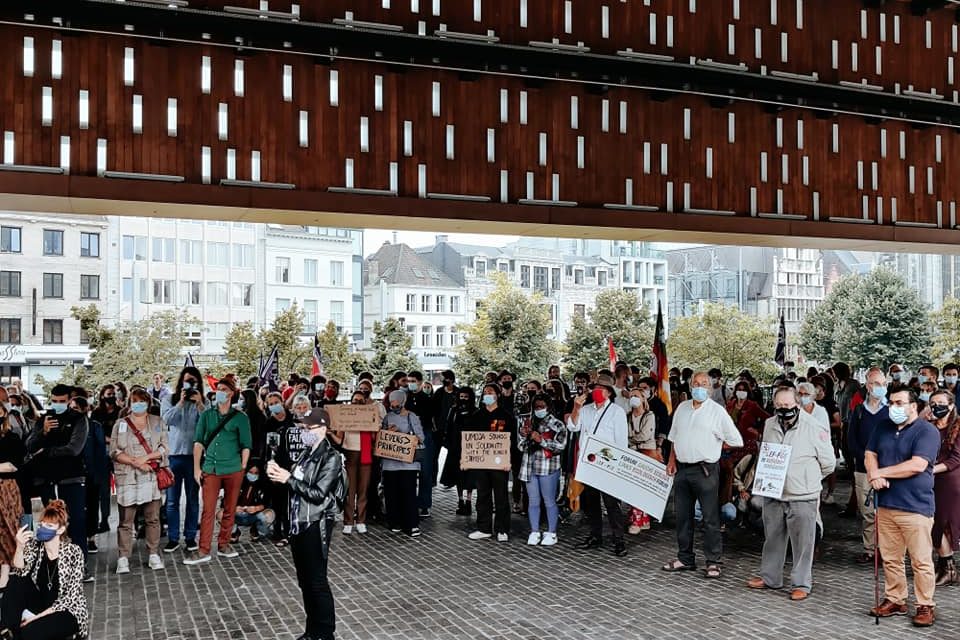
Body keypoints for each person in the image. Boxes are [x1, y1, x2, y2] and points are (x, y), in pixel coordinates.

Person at [746, 387, 836, 601]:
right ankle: (770, 577)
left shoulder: (814, 426)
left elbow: (829, 464)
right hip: (773, 492)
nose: (783, 410)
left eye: (787, 406)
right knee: (773, 537)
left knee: (803, 542)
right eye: (779, 406)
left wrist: (807, 478)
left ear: (798, 404)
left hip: (802, 494)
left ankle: (801, 583)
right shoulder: (769, 424)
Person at [866, 387, 940, 627]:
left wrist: (880, 472)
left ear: (913, 406)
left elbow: (917, 465)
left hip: (916, 506)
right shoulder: (882, 427)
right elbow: (870, 454)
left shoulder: (926, 431)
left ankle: (925, 604)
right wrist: (873, 475)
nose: (893, 407)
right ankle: (896, 598)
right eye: (891, 402)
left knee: (920, 560)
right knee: (891, 557)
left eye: (899, 403)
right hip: (886, 503)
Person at [266, 408, 341, 640]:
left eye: (310, 428)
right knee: (305, 580)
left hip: (315, 522)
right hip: (298, 521)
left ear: (324, 429)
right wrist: (281, 474)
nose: (305, 432)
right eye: (303, 428)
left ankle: (325, 632)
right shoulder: (307, 453)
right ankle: (312, 630)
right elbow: (298, 481)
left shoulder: (331, 457)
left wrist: (287, 479)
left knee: (316, 580)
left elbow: (318, 493)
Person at [663, 371, 743, 579]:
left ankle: (713, 561)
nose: (699, 387)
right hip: (682, 469)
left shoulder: (717, 411)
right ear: (690, 386)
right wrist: (671, 460)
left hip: (705, 470)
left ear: (710, 388)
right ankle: (685, 557)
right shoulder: (682, 408)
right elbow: (674, 437)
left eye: (704, 384)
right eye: (695, 383)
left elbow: (736, 440)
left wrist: (717, 443)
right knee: (683, 516)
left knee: (710, 518)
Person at [185, 378, 252, 565]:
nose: (219, 393)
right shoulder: (207, 416)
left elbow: (246, 444)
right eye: (217, 389)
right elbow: (198, 442)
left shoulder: (240, 418)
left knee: (230, 508)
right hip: (211, 468)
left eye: (223, 389)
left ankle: (224, 544)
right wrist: (196, 468)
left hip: (233, 468)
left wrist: (242, 466)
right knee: (208, 510)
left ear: (231, 393)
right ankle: (203, 549)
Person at [1, 501, 88, 640]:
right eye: (41, 525)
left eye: (49, 526)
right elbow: (19, 571)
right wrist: (20, 547)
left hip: (66, 611)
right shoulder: (36, 547)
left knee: (28, 632)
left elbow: (69, 598)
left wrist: (35, 619)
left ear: (60, 530)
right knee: (16, 581)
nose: (42, 528)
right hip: (42, 603)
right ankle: (5, 632)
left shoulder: (73, 552)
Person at [568, 374, 630, 557]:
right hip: (588, 463)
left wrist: (618, 467)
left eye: (601, 389)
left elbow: (621, 442)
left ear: (609, 392)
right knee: (591, 502)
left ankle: (619, 540)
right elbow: (573, 426)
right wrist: (576, 408)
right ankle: (595, 535)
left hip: (607, 464)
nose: (597, 391)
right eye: (595, 388)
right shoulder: (586, 409)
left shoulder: (616, 412)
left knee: (611, 504)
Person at [24, 385, 88, 560]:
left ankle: (80, 563)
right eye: (55, 401)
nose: (58, 404)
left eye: (62, 401)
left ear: (69, 400)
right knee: (52, 523)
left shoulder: (79, 419)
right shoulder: (44, 419)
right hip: (47, 480)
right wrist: (43, 432)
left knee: (76, 521)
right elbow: (30, 446)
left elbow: (74, 449)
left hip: (72, 478)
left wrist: (46, 451)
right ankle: (55, 561)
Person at [109, 389, 169, 574]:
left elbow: (164, 447)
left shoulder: (157, 422)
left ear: (148, 403)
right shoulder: (120, 424)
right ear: (129, 403)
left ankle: (153, 553)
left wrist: (146, 459)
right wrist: (135, 462)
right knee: (126, 521)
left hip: (151, 476)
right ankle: (123, 557)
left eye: (142, 401)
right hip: (128, 478)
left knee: (153, 518)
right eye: (134, 401)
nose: (138, 404)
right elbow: (114, 451)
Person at [161, 367, 206, 554]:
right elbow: (166, 420)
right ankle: (173, 537)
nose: (190, 385)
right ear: (181, 382)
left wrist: (200, 404)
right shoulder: (169, 399)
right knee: (172, 501)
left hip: (194, 457)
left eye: (193, 382)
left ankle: (190, 536)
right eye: (187, 381)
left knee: (193, 499)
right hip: (174, 456)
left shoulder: (203, 401)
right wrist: (180, 402)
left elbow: (209, 422)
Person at [845, 367, 889, 563]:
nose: (879, 388)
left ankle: (885, 550)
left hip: (886, 469)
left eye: (883, 384)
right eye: (875, 384)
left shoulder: (891, 411)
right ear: (868, 386)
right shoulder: (859, 411)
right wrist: (864, 458)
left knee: (886, 512)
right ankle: (869, 549)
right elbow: (851, 439)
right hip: (863, 469)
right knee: (868, 512)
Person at [464, 383, 515, 542]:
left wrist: (509, 460)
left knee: (501, 496)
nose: (487, 394)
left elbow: (512, 439)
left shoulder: (506, 416)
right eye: (485, 392)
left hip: (500, 463)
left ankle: (502, 529)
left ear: (497, 395)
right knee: (482, 495)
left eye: (490, 392)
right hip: (481, 463)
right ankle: (484, 528)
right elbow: (469, 439)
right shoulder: (476, 416)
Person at [518, 395, 567, 547]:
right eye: (536, 407)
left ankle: (552, 532)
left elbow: (560, 446)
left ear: (548, 406)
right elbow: (520, 446)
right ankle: (534, 531)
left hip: (548, 468)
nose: (539, 409)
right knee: (533, 501)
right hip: (530, 467)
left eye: (542, 406)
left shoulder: (557, 424)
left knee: (549, 500)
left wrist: (541, 440)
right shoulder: (528, 422)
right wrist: (525, 436)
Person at [380, 390, 425, 538]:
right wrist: (387, 431)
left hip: (408, 464)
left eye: (396, 404)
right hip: (390, 463)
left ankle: (411, 524)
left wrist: (400, 433)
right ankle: (394, 521)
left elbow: (420, 438)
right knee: (392, 494)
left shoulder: (412, 417)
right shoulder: (387, 417)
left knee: (409, 494)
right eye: (391, 404)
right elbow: (381, 437)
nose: (394, 406)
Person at [330, 391, 373, 535]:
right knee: (349, 490)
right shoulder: (345, 417)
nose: (357, 403)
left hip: (366, 454)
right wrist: (330, 433)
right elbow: (339, 440)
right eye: (355, 400)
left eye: (361, 401)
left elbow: (374, 436)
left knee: (363, 490)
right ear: (351, 401)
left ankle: (361, 521)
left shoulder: (370, 416)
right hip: (350, 454)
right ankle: (348, 521)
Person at [929, 389, 960, 586]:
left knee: (942, 523)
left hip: (950, 481)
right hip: (932, 481)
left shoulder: (957, 427)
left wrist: (930, 469)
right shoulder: (929, 426)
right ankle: (944, 565)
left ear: (951, 405)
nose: (936, 407)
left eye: (940, 403)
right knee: (933, 523)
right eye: (933, 403)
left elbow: (955, 458)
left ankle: (948, 567)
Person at [722, 381, 768, 504]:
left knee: (744, 471)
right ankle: (727, 499)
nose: (741, 391)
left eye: (744, 389)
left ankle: (743, 498)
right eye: (739, 389)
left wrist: (758, 432)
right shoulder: (731, 404)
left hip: (747, 444)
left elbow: (768, 419)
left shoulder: (752, 405)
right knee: (729, 471)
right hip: (731, 444)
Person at [265, 392, 301, 547]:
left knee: (291, 500)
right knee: (278, 501)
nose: (274, 405)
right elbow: (266, 448)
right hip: (276, 466)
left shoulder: (293, 420)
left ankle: (291, 531)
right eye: (271, 403)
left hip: (294, 466)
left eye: (276, 401)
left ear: (282, 401)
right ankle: (278, 532)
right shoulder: (268, 423)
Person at [74, 397, 107, 556]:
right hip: (73, 475)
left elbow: (100, 452)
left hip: (91, 474)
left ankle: (91, 538)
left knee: (92, 507)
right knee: (76, 509)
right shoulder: (67, 427)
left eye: (75, 408)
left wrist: (99, 475)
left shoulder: (95, 427)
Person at [625, 389, 659, 534]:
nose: (633, 398)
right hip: (633, 453)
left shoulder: (649, 415)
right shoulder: (627, 416)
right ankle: (639, 518)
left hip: (646, 453)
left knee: (643, 487)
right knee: (633, 487)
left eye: (636, 396)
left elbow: (645, 435)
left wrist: (631, 439)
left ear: (643, 398)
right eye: (631, 396)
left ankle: (639, 520)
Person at [440, 387, 476, 516]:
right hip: (455, 448)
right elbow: (448, 427)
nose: (464, 399)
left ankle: (469, 501)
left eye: (466, 397)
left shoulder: (475, 412)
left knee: (470, 477)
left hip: (471, 449)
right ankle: (460, 500)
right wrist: (448, 444)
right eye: (461, 396)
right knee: (458, 476)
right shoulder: (453, 411)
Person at [404, 372, 435, 519]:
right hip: (408, 436)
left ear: (421, 382)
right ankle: (409, 503)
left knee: (425, 471)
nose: (411, 383)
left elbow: (429, 418)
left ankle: (424, 505)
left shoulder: (428, 399)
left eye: (414, 381)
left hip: (424, 435)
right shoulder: (405, 398)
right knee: (408, 471)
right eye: (409, 381)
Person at [0, 404, 24, 589]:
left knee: (10, 530)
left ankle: (10, 570)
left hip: (7, 490)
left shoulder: (12, 438)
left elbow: (13, 466)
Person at [230, 461, 274, 542]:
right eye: (250, 472)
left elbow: (268, 504)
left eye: (256, 473)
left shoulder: (264, 485)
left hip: (254, 516)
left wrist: (256, 508)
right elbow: (225, 501)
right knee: (221, 514)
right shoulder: (237, 482)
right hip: (237, 514)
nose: (253, 475)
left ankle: (255, 529)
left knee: (269, 515)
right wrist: (234, 508)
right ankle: (234, 531)